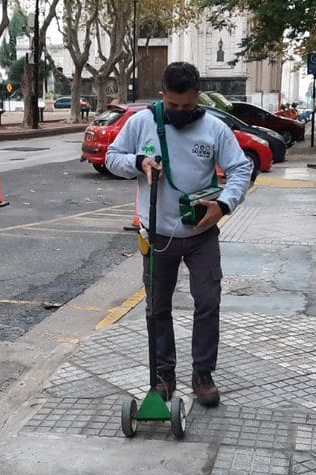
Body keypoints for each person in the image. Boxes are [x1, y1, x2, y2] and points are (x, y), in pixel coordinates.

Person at [104, 61, 253, 407]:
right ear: (163, 96)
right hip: (156, 233)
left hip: (201, 233)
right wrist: (138, 162)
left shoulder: (214, 128)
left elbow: (241, 167)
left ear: (197, 97)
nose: (180, 112)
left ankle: (202, 373)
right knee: (157, 308)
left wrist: (225, 205)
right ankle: (163, 375)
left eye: (187, 106)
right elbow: (113, 157)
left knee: (208, 302)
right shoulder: (142, 122)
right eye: (173, 106)